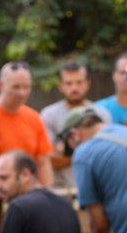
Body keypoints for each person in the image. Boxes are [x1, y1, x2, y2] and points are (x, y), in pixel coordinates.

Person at [0, 61, 53, 220]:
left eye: (26, 87)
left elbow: (43, 161)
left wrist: (47, 195)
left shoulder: (34, 118)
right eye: (16, 87)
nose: (22, 93)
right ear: (1, 85)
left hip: (27, 205)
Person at [40, 61, 111, 189]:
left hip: (96, 188)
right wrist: (89, 151)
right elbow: (47, 160)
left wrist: (65, 152)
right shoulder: (48, 115)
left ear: (88, 84)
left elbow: (108, 157)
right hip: (62, 189)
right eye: (69, 83)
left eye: (79, 82)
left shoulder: (102, 114)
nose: (74, 88)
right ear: (61, 86)